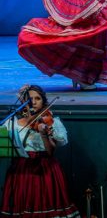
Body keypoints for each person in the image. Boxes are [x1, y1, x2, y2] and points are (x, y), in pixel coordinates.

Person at [1, 84, 80, 217]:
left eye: (37, 98)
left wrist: (44, 134)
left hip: (44, 169)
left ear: (43, 101)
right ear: (23, 101)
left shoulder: (50, 122)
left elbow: (50, 152)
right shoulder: (12, 123)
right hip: (21, 170)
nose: (33, 102)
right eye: (30, 99)